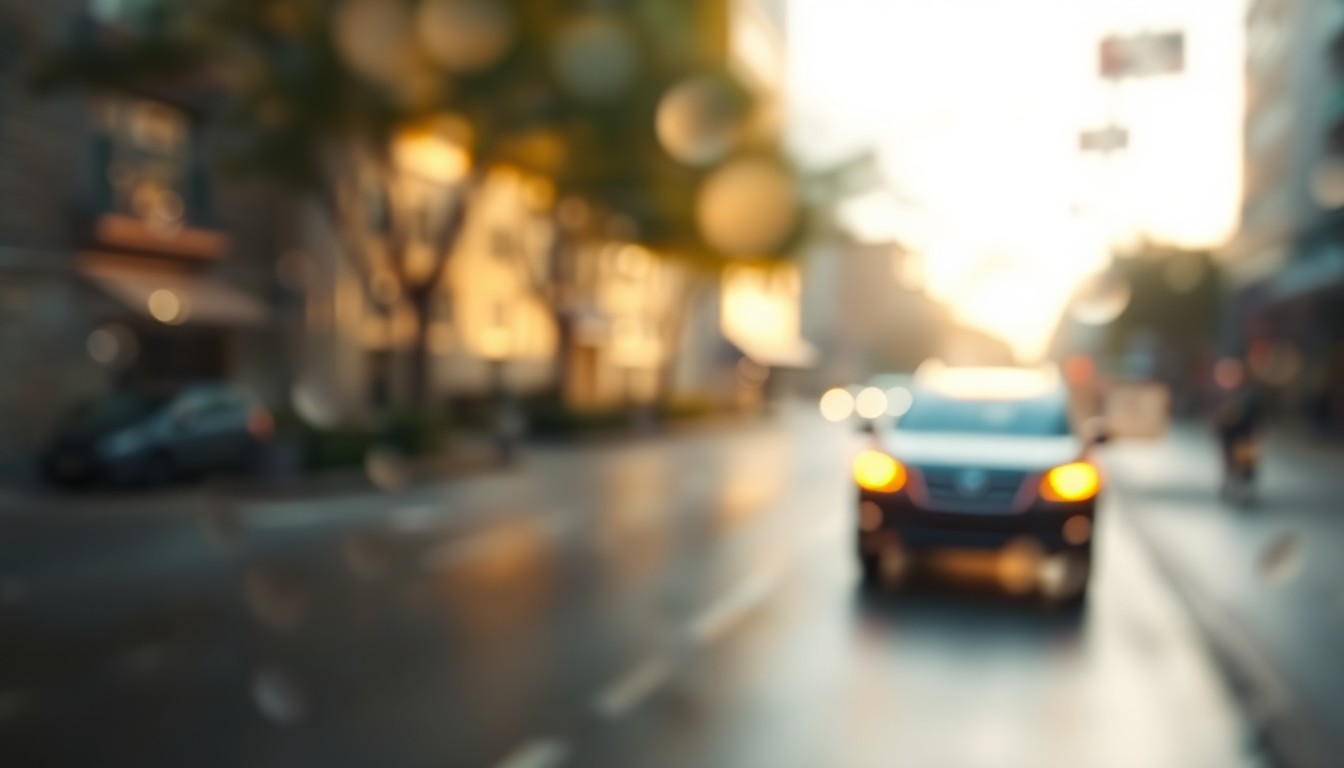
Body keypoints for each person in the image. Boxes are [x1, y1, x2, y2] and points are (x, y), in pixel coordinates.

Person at [1213, 359, 1263, 500]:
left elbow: (1257, 416)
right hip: (1229, 435)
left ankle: (1246, 487)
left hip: (1245, 435)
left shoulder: (1248, 396)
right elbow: (1217, 416)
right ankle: (1230, 484)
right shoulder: (1223, 395)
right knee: (1229, 462)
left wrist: (1257, 431)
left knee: (1246, 464)